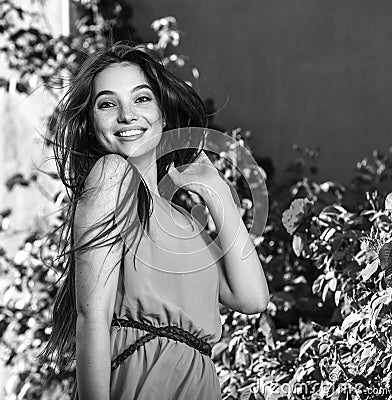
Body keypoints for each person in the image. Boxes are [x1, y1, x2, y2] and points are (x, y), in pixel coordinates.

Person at [39, 41, 270, 400]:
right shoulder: (111, 177)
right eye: (107, 103)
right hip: (142, 382)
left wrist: (219, 193)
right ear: (90, 123)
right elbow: (91, 319)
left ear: (163, 113)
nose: (127, 115)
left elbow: (252, 297)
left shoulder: (185, 221)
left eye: (142, 99)